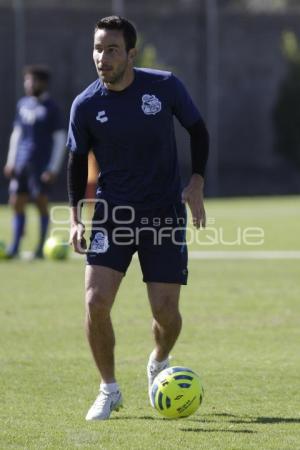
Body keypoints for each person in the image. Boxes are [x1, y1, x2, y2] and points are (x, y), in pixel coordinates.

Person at [67, 16, 209, 421]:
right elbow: (76, 163)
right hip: (113, 215)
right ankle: (108, 389)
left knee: (166, 313)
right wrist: (77, 217)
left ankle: (160, 359)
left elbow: (198, 131)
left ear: (131, 53)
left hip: (163, 213)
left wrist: (196, 181)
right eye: (97, 48)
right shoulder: (86, 104)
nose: (101, 57)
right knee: (95, 302)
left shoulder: (164, 87)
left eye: (111, 49)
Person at [3, 65, 66, 258]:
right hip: (22, 162)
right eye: (27, 80)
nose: (29, 84)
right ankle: (15, 246)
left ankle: (40, 247)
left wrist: (53, 167)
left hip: (41, 164)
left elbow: (59, 139)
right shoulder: (22, 104)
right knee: (16, 201)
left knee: (40, 202)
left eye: (33, 80)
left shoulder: (52, 108)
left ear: (43, 83)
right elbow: (17, 133)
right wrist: (11, 160)